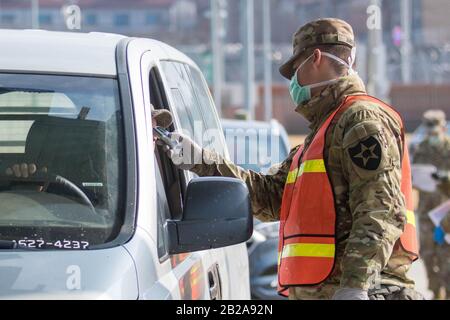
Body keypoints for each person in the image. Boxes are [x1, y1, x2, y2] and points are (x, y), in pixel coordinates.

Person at [166, 18, 421, 300]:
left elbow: (381, 210)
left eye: (295, 70)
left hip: (361, 292)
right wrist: (199, 159)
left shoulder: (360, 119)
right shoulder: (324, 130)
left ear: (315, 58)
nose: (293, 82)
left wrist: (355, 286)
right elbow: (271, 196)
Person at [5, 108, 173, 178]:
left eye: (156, 132)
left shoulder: (153, 177)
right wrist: (29, 188)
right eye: (148, 131)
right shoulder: (68, 171)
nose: (155, 137)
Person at [413, 110, 450, 299]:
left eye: (435, 132)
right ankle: (436, 291)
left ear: (443, 128)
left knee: (446, 255)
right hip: (426, 212)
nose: (432, 136)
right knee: (427, 255)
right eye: (429, 132)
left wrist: (445, 178)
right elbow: (412, 176)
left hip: (446, 215)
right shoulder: (419, 150)